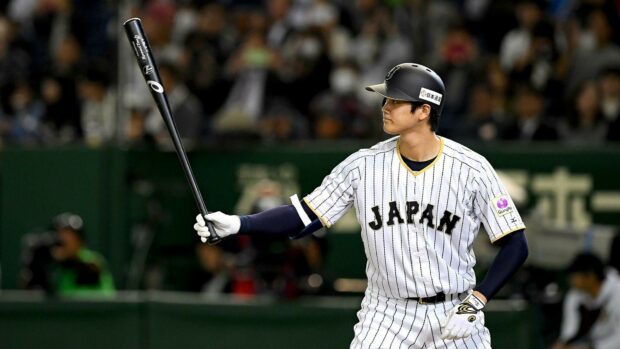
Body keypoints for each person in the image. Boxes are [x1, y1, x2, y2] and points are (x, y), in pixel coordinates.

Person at [194, 63, 529, 348]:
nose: (385, 105)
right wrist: (240, 224)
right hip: (386, 314)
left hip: (455, 309)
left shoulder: (471, 168)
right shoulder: (362, 165)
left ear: (424, 110)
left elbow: (516, 244)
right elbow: (304, 216)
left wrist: (477, 301)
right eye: (386, 98)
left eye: (397, 100)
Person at [552, 252, 620, 349]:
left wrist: (590, 347)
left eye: (574, 276)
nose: (570, 280)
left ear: (590, 276)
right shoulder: (575, 294)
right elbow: (570, 326)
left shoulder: (617, 292)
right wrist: (564, 343)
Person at [49, 212, 115, 296]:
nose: (62, 246)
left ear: (80, 242)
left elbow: (106, 295)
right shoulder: (50, 263)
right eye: (58, 242)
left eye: (67, 242)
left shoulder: (91, 263)